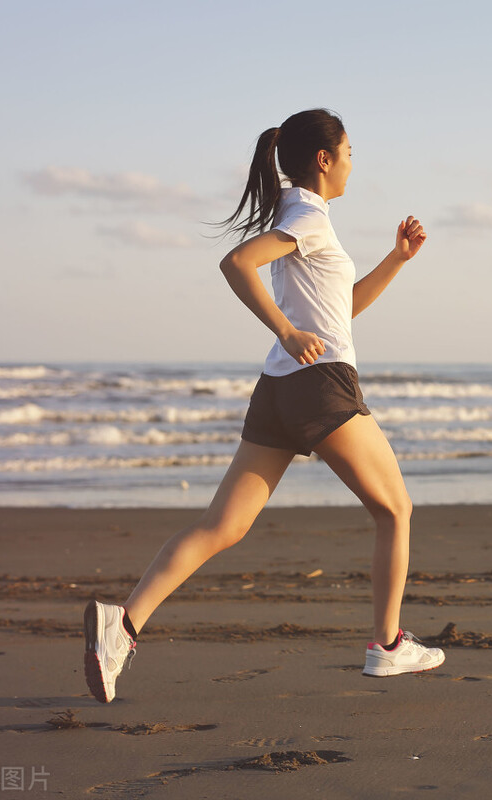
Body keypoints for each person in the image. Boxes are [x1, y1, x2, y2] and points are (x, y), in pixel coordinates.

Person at [83, 108, 444, 703]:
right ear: (324, 159)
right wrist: (285, 330)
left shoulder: (302, 217)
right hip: (319, 383)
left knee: (221, 526)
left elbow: (340, 312)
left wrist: (397, 259)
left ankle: (120, 627)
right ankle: (387, 645)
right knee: (395, 510)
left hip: (279, 389)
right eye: (349, 153)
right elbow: (237, 263)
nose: (353, 164)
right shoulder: (307, 215)